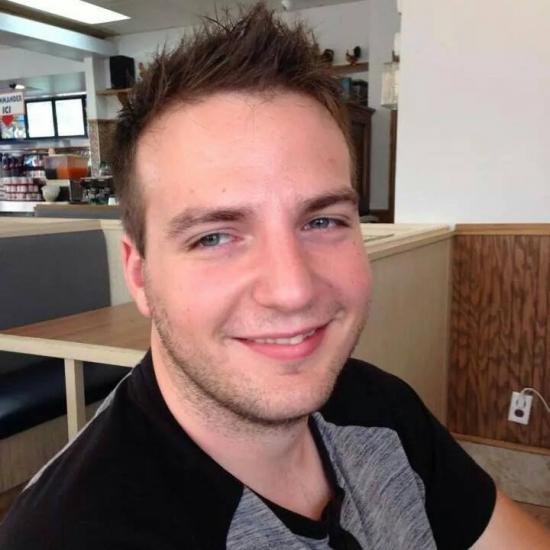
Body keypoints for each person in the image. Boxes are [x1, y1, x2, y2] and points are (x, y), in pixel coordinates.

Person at [1, 4, 549, 549]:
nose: (292, 291)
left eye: (322, 221)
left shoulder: (379, 406)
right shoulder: (65, 534)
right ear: (139, 274)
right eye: (214, 237)